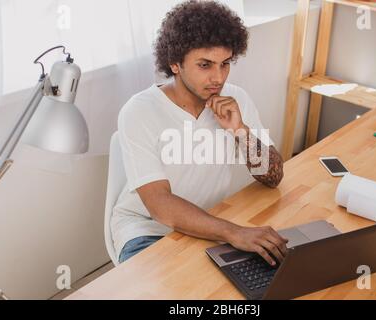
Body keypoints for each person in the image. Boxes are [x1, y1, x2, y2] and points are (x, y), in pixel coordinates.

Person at [112, 0, 286, 266]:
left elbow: (273, 177)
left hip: (210, 221)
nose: (218, 78)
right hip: (148, 230)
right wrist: (233, 232)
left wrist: (240, 131)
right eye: (205, 65)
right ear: (175, 63)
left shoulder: (235, 99)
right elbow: (159, 203)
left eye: (225, 64)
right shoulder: (139, 111)